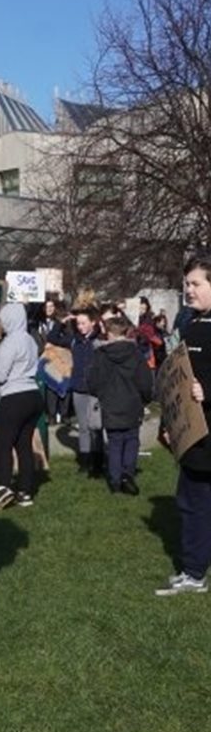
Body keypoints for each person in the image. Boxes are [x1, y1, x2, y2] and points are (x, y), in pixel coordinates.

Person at [156, 254, 211, 595]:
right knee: (192, 502)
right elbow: (174, 379)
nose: (188, 290)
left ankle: (193, 571)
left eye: (196, 284)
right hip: (195, 439)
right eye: (186, 284)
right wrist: (168, 421)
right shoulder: (188, 325)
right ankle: (193, 571)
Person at [89, 315, 153, 496]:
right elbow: (145, 381)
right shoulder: (136, 354)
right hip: (132, 403)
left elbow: (93, 381)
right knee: (132, 440)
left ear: (109, 333)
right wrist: (146, 398)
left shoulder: (100, 356)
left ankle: (116, 480)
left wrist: (100, 394)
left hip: (110, 404)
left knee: (115, 442)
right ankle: (127, 475)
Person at [0, 304, 46, 510]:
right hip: (33, 393)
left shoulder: (9, 343)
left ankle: (4, 486)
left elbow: (0, 375)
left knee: (4, 444)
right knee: (24, 445)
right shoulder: (30, 340)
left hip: (13, 396)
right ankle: (25, 491)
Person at [49, 307, 105, 478]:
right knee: (83, 427)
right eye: (78, 323)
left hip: (95, 391)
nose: (80, 327)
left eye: (83, 323)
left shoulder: (99, 341)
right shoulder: (74, 340)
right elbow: (52, 338)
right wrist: (62, 322)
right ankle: (85, 460)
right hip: (79, 389)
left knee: (96, 427)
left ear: (92, 323)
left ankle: (98, 462)